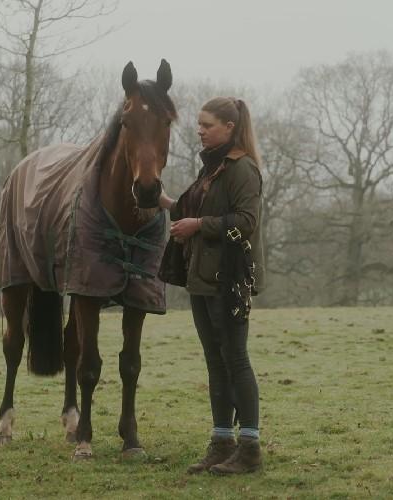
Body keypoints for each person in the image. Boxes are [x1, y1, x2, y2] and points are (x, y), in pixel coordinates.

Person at [158, 97, 266, 475]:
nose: (200, 130)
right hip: (203, 279)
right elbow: (191, 209)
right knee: (215, 362)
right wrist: (162, 200)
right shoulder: (212, 168)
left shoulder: (242, 169)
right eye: (199, 124)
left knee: (235, 360)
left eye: (207, 125)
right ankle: (222, 443)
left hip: (229, 281)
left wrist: (199, 226)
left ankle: (249, 448)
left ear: (229, 127)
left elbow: (245, 222)